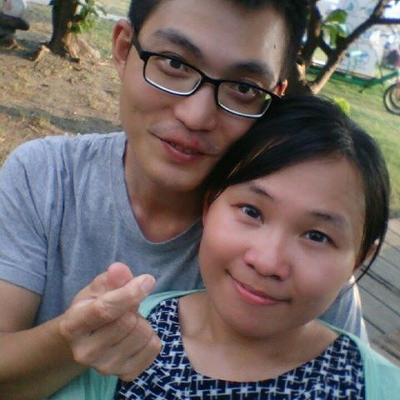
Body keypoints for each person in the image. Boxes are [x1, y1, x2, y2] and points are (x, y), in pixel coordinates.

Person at [0, 0, 366, 398]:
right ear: (123, 49)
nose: (196, 116)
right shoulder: (45, 178)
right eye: (174, 63)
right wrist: (71, 339)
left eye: (244, 89)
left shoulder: (307, 260)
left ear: (272, 99)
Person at [115, 94, 399, 399]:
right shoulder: (127, 338)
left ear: (359, 258)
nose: (266, 262)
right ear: (209, 205)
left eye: (316, 236)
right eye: (251, 211)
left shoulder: (378, 388)